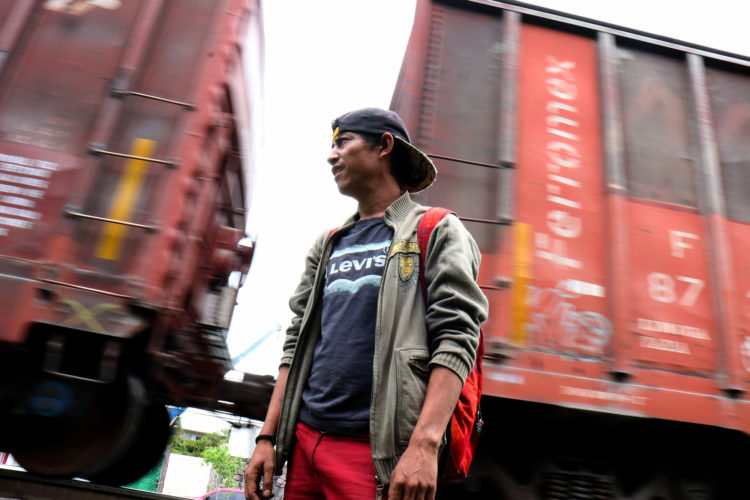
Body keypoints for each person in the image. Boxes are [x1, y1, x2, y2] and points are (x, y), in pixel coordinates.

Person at [244, 107, 488, 500]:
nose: (331, 155)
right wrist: (268, 436)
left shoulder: (436, 230)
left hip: (372, 451)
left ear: (384, 147)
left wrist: (424, 445)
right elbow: (296, 344)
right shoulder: (329, 243)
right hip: (306, 441)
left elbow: (458, 338)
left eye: (343, 142)